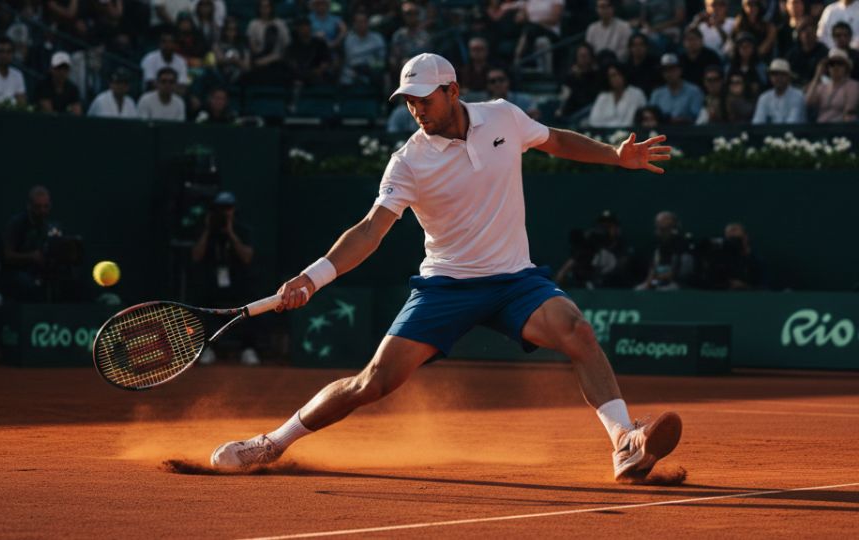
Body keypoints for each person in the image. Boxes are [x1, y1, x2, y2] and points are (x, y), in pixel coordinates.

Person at [210, 53, 682, 484]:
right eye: (409, 102)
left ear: (453, 91)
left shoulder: (502, 116)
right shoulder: (408, 162)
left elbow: (554, 140)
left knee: (577, 331)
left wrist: (615, 156)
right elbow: (371, 229)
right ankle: (272, 443)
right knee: (371, 383)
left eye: (424, 99)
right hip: (446, 287)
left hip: (515, 280)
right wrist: (313, 277)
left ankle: (624, 441)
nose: (416, 110)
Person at [191, 192, 260, 365]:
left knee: (250, 307)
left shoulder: (242, 230)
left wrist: (230, 233)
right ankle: (207, 349)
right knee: (202, 306)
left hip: (239, 286)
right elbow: (196, 256)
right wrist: (207, 230)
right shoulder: (205, 231)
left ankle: (248, 349)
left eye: (228, 208)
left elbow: (247, 257)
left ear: (234, 209)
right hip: (212, 287)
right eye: (220, 208)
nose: (224, 212)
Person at [0, 186, 62, 302]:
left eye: (46, 207)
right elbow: (7, 255)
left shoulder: (51, 226)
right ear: (29, 206)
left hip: (43, 274)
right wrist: (31, 256)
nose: (42, 211)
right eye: (38, 207)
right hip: (17, 274)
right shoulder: (16, 224)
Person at [635, 211, 695, 291]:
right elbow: (653, 268)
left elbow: (676, 273)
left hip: (678, 284)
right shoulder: (657, 246)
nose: (659, 232)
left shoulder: (682, 246)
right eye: (658, 228)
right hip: (658, 281)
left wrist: (658, 278)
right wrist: (648, 282)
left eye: (664, 229)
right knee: (639, 290)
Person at [805, 48, 859, 122]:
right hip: (821, 129)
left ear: (846, 67)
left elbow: (849, 112)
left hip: (841, 129)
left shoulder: (853, 86)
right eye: (832, 63)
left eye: (839, 63)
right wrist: (817, 76)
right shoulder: (822, 87)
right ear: (828, 67)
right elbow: (808, 102)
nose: (835, 67)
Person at [649, 53, 704, 124]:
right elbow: (650, 117)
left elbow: (697, 118)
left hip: (688, 132)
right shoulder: (657, 94)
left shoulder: (694, 91)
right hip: (662, 132)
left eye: (672, 69)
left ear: (680, 70)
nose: (669, 73)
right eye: (665, 70)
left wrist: (672, 120)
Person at [752, 58, 807, 123]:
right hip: (769, 133)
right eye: (774, 74)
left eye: (782, 74)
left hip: (795, 132)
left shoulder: (798, 96)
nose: (778, 78)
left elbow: (792, 123)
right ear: (770, 77)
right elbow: (758, 122)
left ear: (788, 76)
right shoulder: (764, 98)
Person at [341, 11, 386, 86]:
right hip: (353, 71)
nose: (361, 24)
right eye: (358, 22)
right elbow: (350, 60)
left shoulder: (377, 38)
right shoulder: (349, 39)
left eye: (364, 21)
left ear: (368, 23)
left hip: (371, 70)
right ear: (354, 24)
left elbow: (381, 58)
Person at [285, 17, 333, 86]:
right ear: (297, 29)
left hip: (316, 74)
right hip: (299, 75)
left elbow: (327, 60)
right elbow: (291, 62)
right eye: (301, 27)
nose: (304, 29)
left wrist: (320, 69)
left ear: (310, 27)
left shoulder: (320, 43)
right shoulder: (293, 46)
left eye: (306, 26)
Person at [785, 19, 829, 84]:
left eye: (810, 32)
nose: (806, 35)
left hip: (817, 86)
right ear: (799, 35)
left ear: (815, 33)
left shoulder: (823, 51)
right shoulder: (792, 53)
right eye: (803, 31)